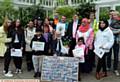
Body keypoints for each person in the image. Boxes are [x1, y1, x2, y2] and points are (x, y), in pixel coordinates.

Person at [109, 11, 120, 76]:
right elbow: (108, 29)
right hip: (110, 40)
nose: (114, 16)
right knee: (109, 54)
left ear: (118, 15)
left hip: (117, 41)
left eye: (115, 15)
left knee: (116, 55)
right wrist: (116, 31)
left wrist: (113, 30)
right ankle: (108, 66)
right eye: (113, 15)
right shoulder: (110, 21)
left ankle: (115, 69)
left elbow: (118, 31)